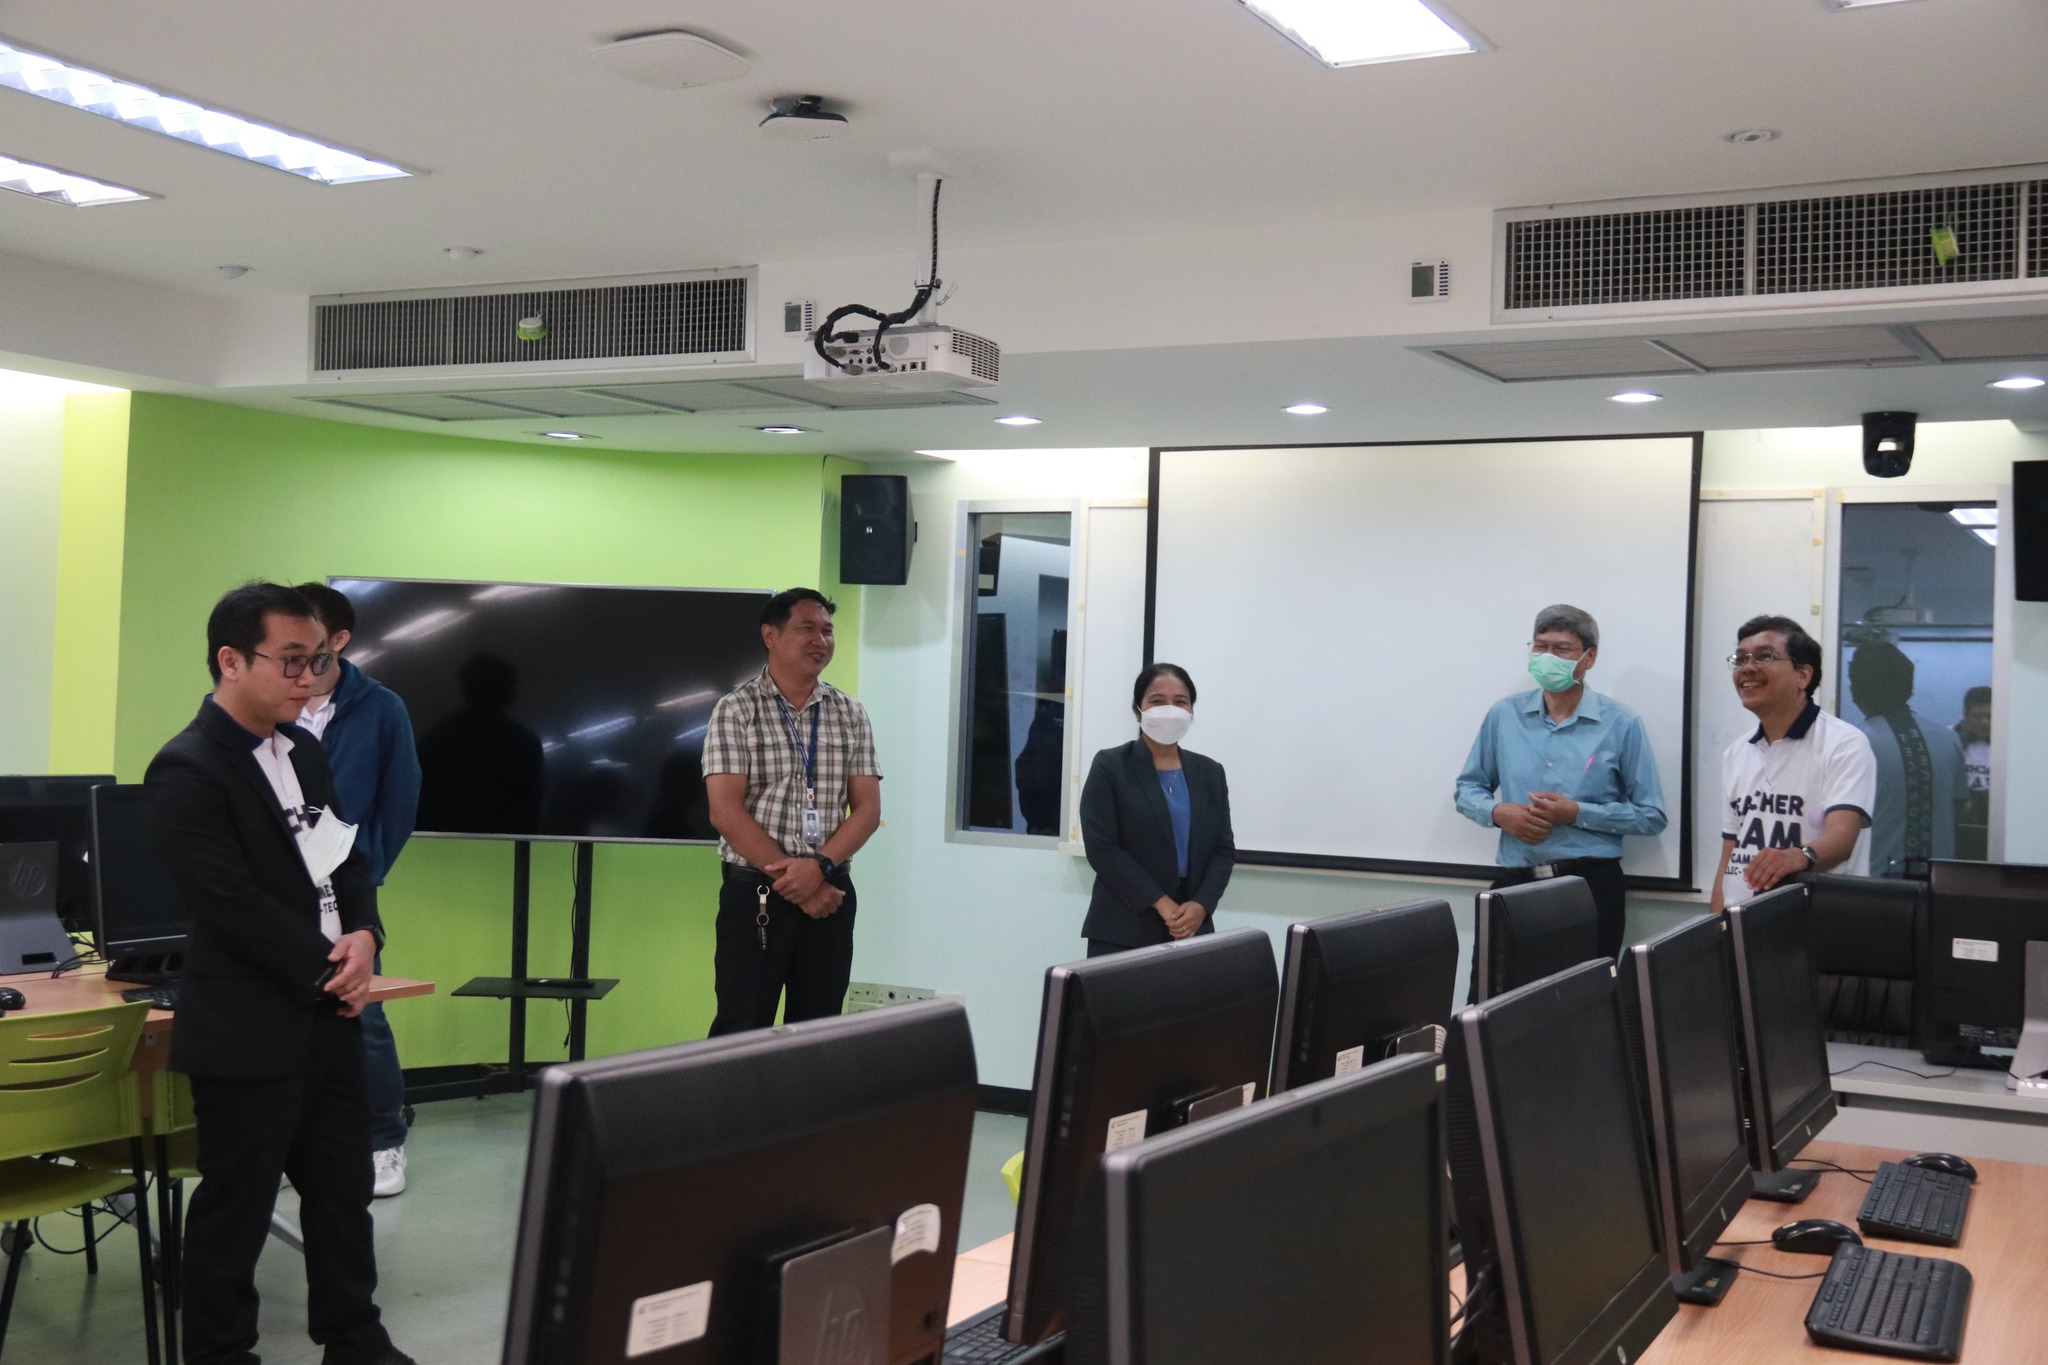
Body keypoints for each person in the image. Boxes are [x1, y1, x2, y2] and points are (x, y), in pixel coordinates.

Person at [144, 582, 413, 1365]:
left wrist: (364, 933)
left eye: (319, 660)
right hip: (248, 1026)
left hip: (329, 1013)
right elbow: (229, 904)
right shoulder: (187, 767)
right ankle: (222, 1353)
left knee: (341, 1195)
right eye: (291, 661)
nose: (309, 678)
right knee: (237, 1207)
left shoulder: (302, 750)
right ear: (231, 660)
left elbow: (347, 856)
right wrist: (331, 969)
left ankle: (355, 1339)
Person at [702, 588, 881, 1034]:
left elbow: (867, 810)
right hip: (756, 894)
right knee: (741, 1029)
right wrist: (797, 882)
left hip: (831, 891)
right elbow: (725, 811)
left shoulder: (850, 713)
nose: (821, 641)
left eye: (828, 631)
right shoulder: (735, 710)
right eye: (807, 629)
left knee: (818, 1033)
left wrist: (818, 869)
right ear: (771, 635)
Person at [294, 581, 422, 1198]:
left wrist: (363, 880)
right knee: (284, 1019)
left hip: (344, 893)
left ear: (339, 640)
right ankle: (295, 1146)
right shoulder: (268, 699)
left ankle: (382, 1141)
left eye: (310, 638)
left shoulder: (380, 707)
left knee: (362, 1016)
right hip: (268, 891)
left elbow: (399, 803)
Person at [1454, 605, 1666, 959]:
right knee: (1493, 988)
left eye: (1562, 649)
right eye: (1540, 647)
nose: (1548, 657)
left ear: (1589, 657)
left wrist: (1577, 813)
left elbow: (1651, 815)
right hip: (1515, 882)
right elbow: (1467, 789)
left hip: (1590, 885)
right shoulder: (1504, 715)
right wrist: (1498, 813)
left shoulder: (1621, 723)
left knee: (1585, 990)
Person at [1712, 614, 1876, 912]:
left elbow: (1842, 837)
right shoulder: (1736, 753)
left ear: (1803, 676)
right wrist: (1714, 927)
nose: (1747, 668)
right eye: (1740, 659)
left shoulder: (1844, 743)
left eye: (1764, 657)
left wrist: (1798, 856)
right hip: (1743, 920)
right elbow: (1730, 854)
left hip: (1817, 919)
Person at [1078, 663, 1235, 955]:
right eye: (1157, 701)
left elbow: (1222, 850)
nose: (1170, 710)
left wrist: (1201, 906)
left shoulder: (1210, 772)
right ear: (1138, 710)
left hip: (1192, 927)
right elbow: (1102, 848)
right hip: (1124, 927)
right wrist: (1162, 904)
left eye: (1180, 702)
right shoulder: (1110, 766)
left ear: (1191, 711)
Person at [1848, 640, 1969, 879]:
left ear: (1856, 691)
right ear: (1908, 686)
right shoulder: (1949, 739)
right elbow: (1961, 810)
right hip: (1939, 883)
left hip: (1873, 885)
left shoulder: (1855, 744)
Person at [1956, 685, 1992, 861]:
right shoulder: (1950, 740)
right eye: (1978, 716)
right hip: (1958, 823)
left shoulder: (2011, 744)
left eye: (1989, 716)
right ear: (1965, 714)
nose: (1984, 722)